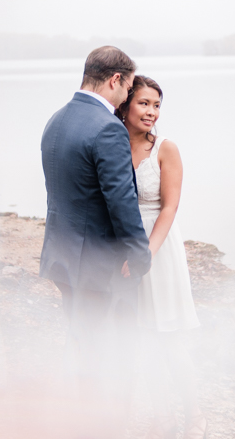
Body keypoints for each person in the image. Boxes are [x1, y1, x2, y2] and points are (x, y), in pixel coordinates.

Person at [39, 46, 152, 437]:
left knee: (81, 338)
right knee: (112, 349)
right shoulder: (107, 128)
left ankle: (75, 419)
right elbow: (121, 200)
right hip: (99, 265)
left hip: (62, 257)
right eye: (128, 88)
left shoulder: (57, 120)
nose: (126, 99)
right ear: (115, 80)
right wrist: (140, 255)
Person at [116, 75, 207, 439]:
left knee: (169, 338)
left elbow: (169, 208)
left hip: (158, 248)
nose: (152, 112)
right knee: (142, 337)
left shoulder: (166, 149)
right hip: (124, 247)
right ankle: (162, 416)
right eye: (144, 103)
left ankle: (194, 415)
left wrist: (145, 255)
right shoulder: (114, 144)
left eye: (156, 105)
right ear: (125, 104)